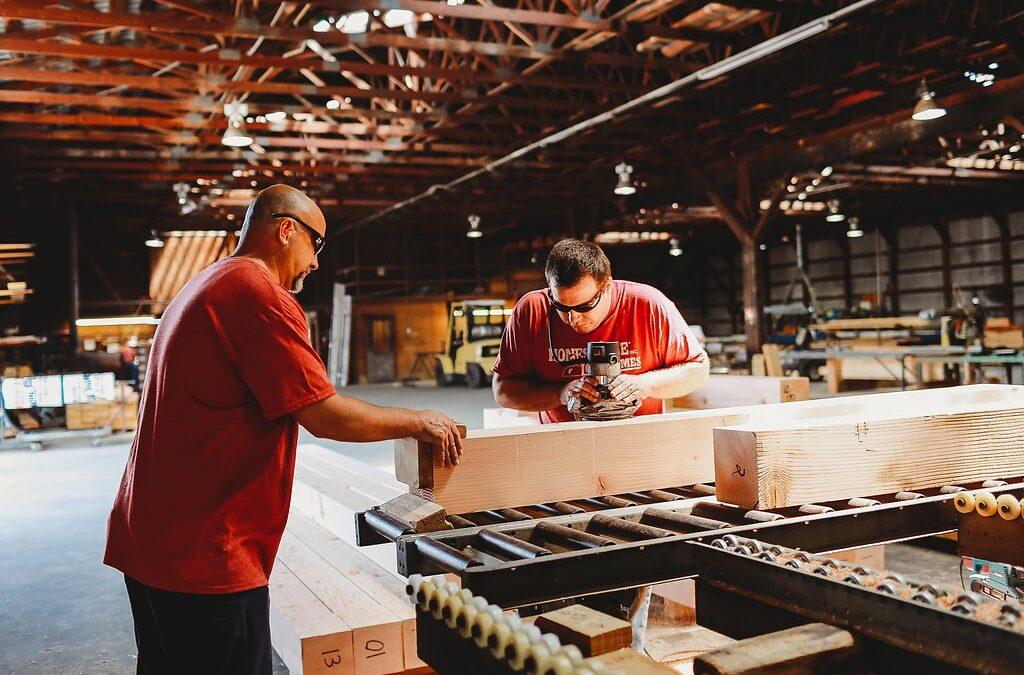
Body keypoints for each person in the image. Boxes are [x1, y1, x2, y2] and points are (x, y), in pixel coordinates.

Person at [104, 185, 463, 675]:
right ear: (286, 229)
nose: (316, 262)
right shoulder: (255, 293)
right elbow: (324, 414)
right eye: (316, 245)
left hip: (152, 540)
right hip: (205, 553)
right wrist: (419, 420)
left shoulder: (208, 283)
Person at [492, 238, 709, 423]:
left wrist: (646, 384)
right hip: (564, 446)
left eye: (584, 306)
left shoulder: (648, 304)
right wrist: (561, 394)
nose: (572, 318)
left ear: (606, 286)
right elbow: (503, 390)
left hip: (639, 443)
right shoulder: (532, 311)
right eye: (561, 307)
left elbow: (698, 370)